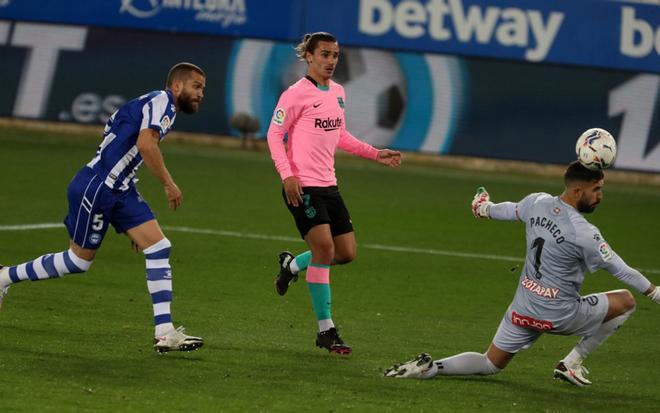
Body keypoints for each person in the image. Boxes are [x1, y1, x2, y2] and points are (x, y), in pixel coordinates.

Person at [385, 161, 659, 385]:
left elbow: (508, 210)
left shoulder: (536, 202)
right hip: (560, 316)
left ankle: (432, 369)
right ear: (577, 191)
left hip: (523, 310)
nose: (600, 195)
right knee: (626, 301)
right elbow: (622, 270)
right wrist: (655, 293)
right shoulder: (585, 234)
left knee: (490, 363)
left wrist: (483, 207)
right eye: (596, 189)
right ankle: (571, 362)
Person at [0, 62, 207, 353]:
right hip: (97, 188)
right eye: (196, 86)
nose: (200, 94)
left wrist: (129, 222)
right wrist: (168, 184)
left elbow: (115, 134)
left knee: (158, 246)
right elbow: (146, 145)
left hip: (119, 190)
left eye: (203, 89)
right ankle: (4, 277)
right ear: (176, 86)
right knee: (78, 261)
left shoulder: (155, 104)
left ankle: (164, 332)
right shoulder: (161, 102)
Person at [266, 32, 402, 355]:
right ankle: (325, 330)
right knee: (324, 249)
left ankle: (292, 267)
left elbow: (340, 135)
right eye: (324, 54)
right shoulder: (295, 94)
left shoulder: (338, 93)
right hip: (302, 186)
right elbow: (274, 135)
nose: (330, 61)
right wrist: (287, 176)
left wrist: (374, 153)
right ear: (309, 56)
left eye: (335, 55)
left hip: (329, 186)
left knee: (346, 253)